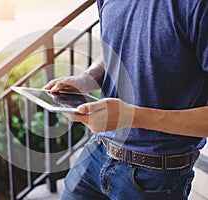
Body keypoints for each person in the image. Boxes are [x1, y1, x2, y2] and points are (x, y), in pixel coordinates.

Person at [44, 0, 208, 199]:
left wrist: (132, 116)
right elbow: (119, 45)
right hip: (98, 152)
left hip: (156, 175)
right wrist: (86, 79)